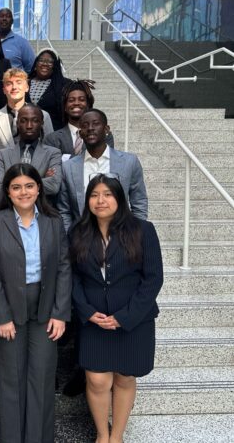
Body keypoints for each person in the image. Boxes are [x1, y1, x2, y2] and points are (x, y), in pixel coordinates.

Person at [0, 163, 72, 443]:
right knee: (12, 379)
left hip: (46, 310)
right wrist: (2, 315)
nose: (24, 192)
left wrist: (60, 313)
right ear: (8, 192)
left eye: (29, 186)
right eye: (16, 187)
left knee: (42, 378)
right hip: (11, 310)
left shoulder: (53, 222)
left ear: (39, 188)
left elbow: (64, 267)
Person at [69, 174, 163, 443]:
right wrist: (86, 311)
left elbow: (153, 277)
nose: (101, 200)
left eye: (108, 194)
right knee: (97, 380)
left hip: (133, 321)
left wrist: (125, 317)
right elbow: (71, 277)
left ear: (119, 199)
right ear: (87, 200)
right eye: (94, 195)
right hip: (95, 320)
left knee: (125, 377)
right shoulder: (77, 233)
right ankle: (102, 434)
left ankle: (117, 436)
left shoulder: (143, 230)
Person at [58, 109, 148, 233]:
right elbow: (64, 209)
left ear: (106, 129)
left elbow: (139, 202)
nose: (90, 128)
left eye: (95, 123)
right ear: (80, 133)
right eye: (85, 125)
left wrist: (137, 233)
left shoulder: (129, 162)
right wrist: (70, 237)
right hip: (83, 238)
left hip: (120, 235)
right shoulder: (68, 167)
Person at [0, 103, 61, 203]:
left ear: (42, 124)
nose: (29, 126)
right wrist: (40, 180)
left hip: (42, 213)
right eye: (23, 121)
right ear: (17, 123)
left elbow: (53, 186)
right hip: (10, 213)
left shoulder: (53, 153)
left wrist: (11, 184)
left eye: (35, 121)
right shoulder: (2, 155)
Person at [0, 68, 54, 156]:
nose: (14, 87)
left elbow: (50, 149)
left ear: (27, 87)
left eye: (18, 82)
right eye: (9, 83)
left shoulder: (44, 116)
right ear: (4, 90)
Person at [44, 79, 114, 156]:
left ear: (88, 105)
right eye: (71, 100)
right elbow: (54, 164)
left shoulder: (104, 135)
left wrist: (65, 158)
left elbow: (105, 160)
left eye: (81, 99)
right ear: (65, 107)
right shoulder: (52, 139)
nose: (76, 103)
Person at [26, 48, 72, 131]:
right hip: (27, 132)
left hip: (53, 133)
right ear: (36, 64)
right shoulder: (24, 83)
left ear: (55, 66)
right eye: (41, 60)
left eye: (50, 62)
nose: (45, 64)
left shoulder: (64, 84)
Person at [0, 7, 35, 73]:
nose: (4, 19)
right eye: (1, 16)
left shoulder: (23, 43)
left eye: (8, 16)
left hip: (14, 82)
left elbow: (31, 68)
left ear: (12, 21)